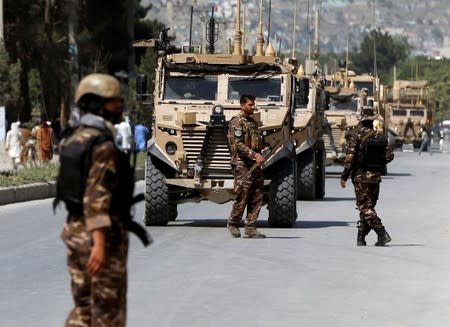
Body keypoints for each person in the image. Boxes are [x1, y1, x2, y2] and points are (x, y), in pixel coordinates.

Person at [56, 73, 150, 327]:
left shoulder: (73, 138)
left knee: (83, 308)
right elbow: (95, 196)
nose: (119, 107)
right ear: (95, 103)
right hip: (101, 237)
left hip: (75, 231)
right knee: (108, 313)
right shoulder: (103, 145)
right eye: (113, 102)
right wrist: (99, 243)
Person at [340, 107, 394, 246]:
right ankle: (361, 238)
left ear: (361, 119)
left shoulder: (357, 135)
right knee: (368, 207)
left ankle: (382, 233)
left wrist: (344, 176)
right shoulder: (379, 136)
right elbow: (390, 156)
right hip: (375, 178)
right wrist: (377, 164)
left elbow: (350, 158)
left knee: (365, 208)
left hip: (360, 177)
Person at [227, 94, 266, 238]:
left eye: (253, 104)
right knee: (242, 195)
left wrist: (261, 151)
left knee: (257, 195)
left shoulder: (253, 123)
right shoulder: (236, 122)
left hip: (255, 164)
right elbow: (237, 144)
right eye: (250, 104)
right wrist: (254, 155)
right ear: (242, 106)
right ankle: (233, 223)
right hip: (242, 163)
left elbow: (254, 142)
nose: (253, 107)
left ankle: (250, 226)